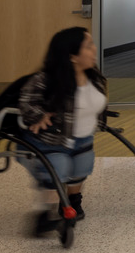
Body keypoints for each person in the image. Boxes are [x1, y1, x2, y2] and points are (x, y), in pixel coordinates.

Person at [17, 26, 106, 235]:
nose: (94, 49)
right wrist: (39, 115)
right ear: (72, 56)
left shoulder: (93, 76)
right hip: (51, 142)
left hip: (83, 139)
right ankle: (47, 214)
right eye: (88, 46)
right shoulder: (45, 79)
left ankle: (73, 201)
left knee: (81, 170)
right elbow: (26, 101)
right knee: (57, 170)